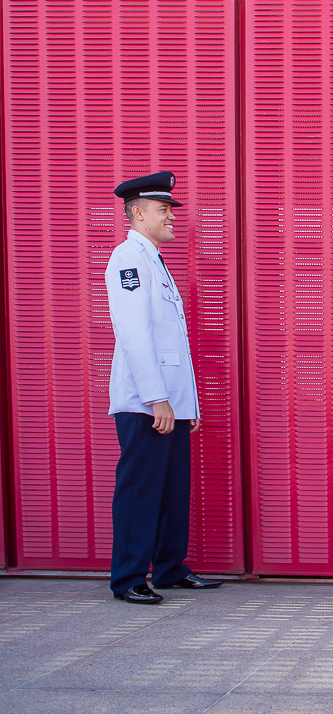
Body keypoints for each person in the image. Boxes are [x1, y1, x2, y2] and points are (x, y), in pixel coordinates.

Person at [106, 171, 222, 604]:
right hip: (146, 403)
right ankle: (129, 578)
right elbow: (134, 334)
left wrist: (185, 405)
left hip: (169, 403)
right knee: (141, 489)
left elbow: (172, 340)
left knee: (172, 490)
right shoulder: (128, 259)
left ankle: (170, 568)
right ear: (137, 213)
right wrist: (157, 398)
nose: (172, 216)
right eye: (163, 209)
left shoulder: (153, 259)